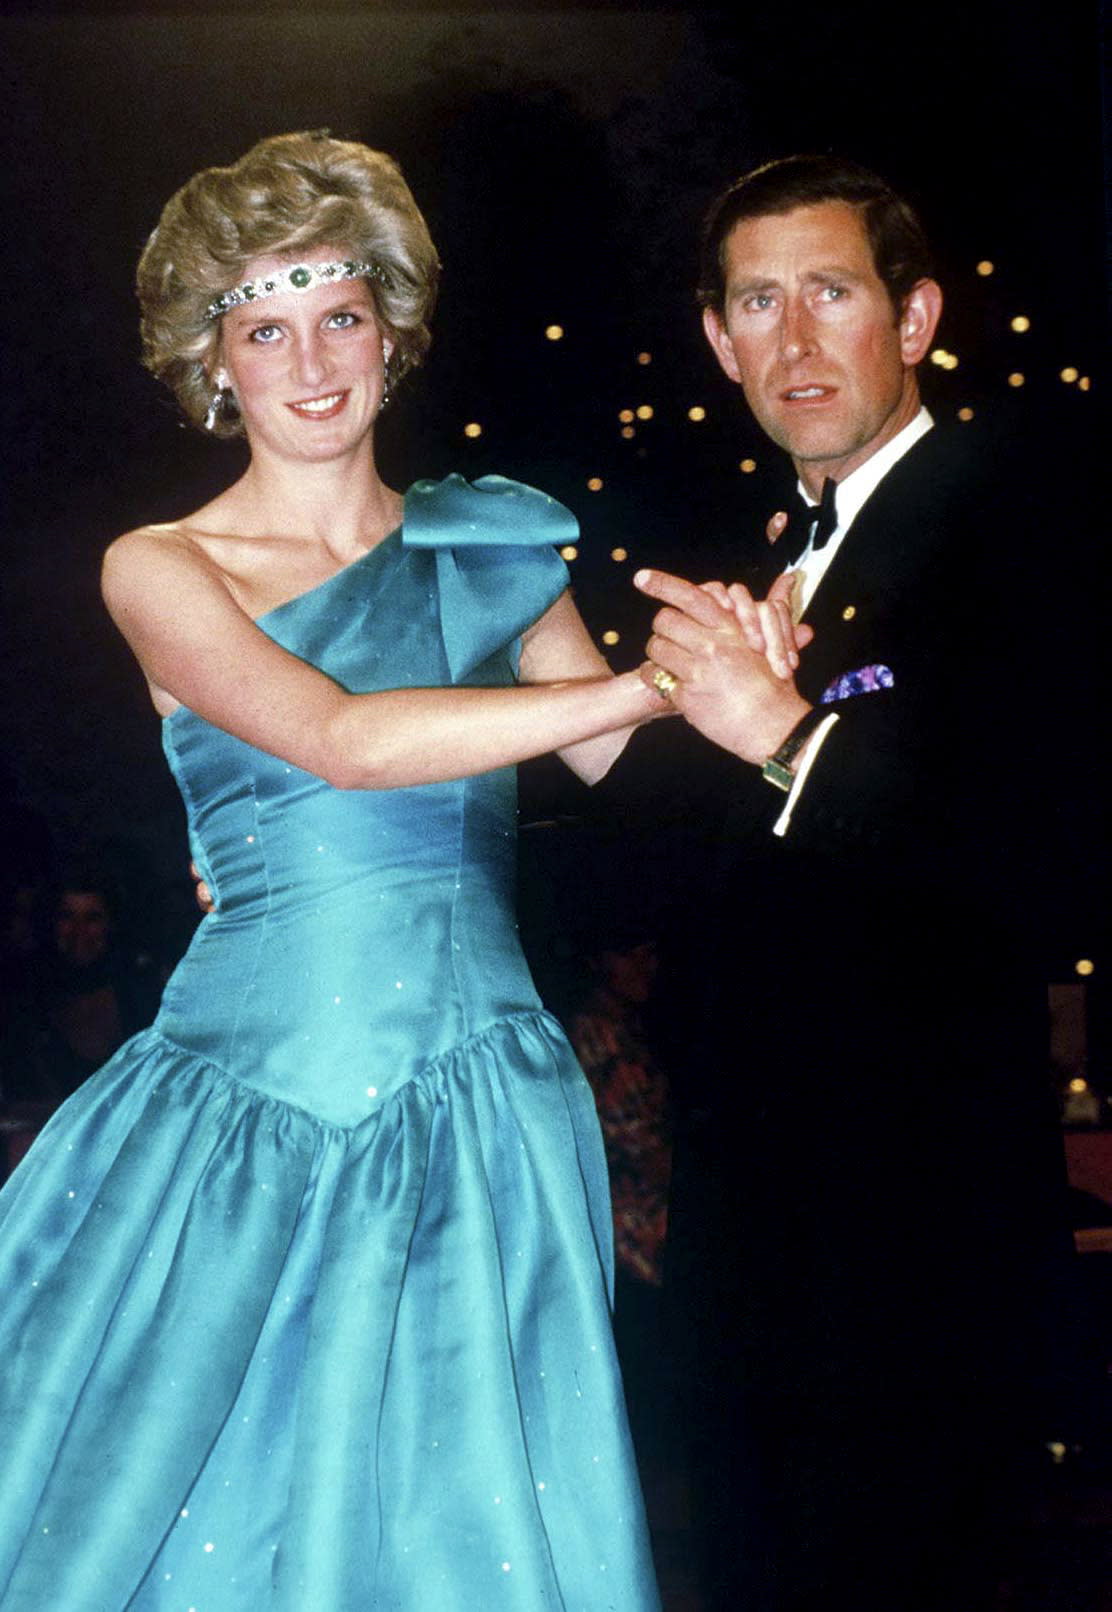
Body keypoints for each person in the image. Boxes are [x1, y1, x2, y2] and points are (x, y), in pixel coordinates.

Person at [0, 131, 665, 1610]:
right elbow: (343, 741)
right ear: (214, 361)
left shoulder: (499, 546)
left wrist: (760, 696)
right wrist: (643, 687)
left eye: (338, 316)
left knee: (460, 1530)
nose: (309, 362)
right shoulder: (162, 566)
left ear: (391, 333)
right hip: (252, 1109)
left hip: (483, 1101)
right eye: (264, 326)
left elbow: (648, 795)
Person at [618, 155, 1080, 1610]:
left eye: (834, 293)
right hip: (757, 1212)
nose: (797, 341)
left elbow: (1046, 842)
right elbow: (658, 849)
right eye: (760, 302)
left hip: (927, 1223)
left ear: (918, 315)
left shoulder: (1029, 505)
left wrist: (782, 738)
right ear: (718, 342)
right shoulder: (756, 557)